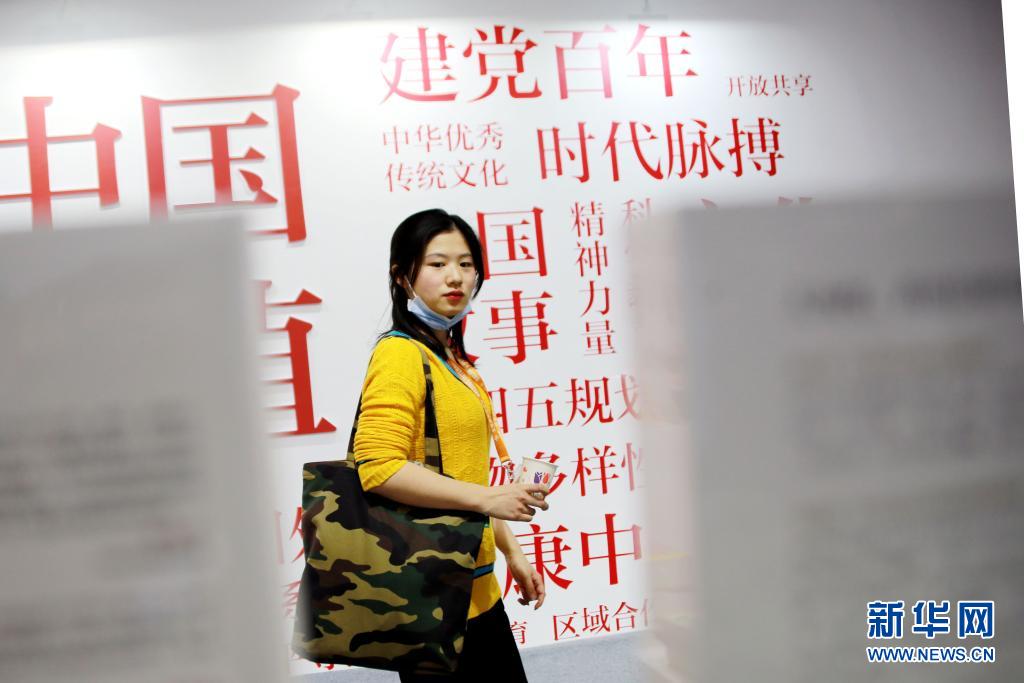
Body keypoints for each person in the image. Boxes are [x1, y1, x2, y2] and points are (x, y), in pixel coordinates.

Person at [353, 209, 549, 682]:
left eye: (465, 264)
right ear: (403, 276)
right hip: (432, 596)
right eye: (437, 264)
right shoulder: (400, 353)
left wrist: (511, 551)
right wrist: (487, 498)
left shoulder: (453, 360)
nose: (455, 276)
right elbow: (378, 467)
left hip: (475, 586)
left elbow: (467, 476)